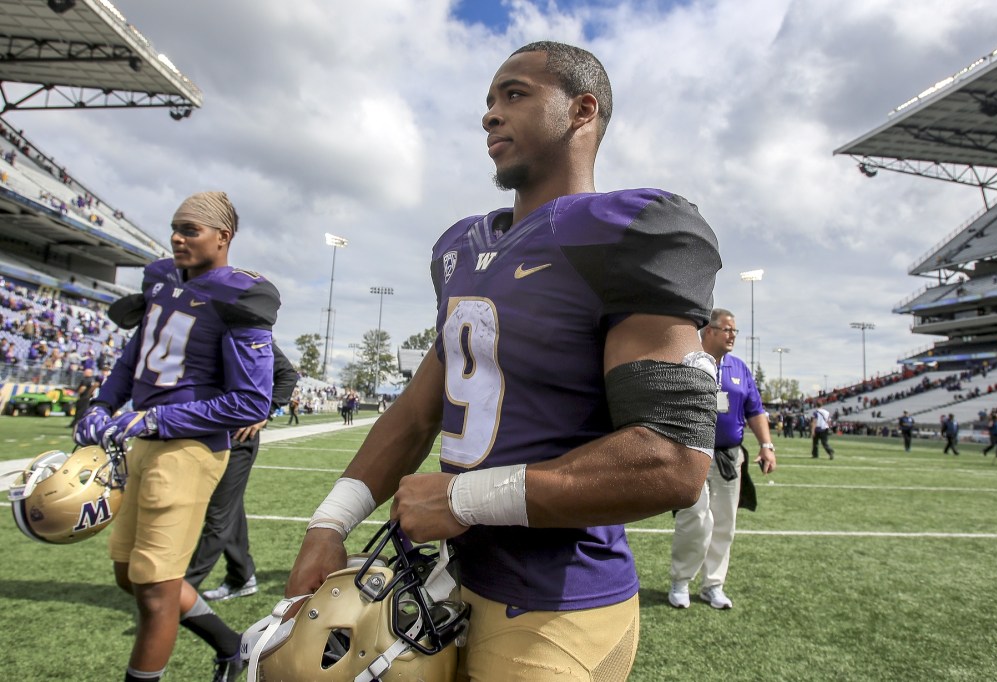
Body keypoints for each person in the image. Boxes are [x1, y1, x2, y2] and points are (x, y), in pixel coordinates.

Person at [283, 41, 721, 680]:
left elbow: (673, 458)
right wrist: (330, 523)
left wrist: (465, 497)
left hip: (557, 602)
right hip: (448, 582)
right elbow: (414, 414)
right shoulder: (461, 247)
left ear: (582, 110)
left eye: (514, 94)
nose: (490, 114)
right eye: (488, 101)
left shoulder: (625, 233)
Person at [73, 191, 279, 682]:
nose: (177, 237)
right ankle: (231, 646)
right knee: (129, 574)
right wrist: (103, 403)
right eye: (175, 227)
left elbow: (251, 402)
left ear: (223, 238)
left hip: (188, 448)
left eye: (190, 229)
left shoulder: (240, 294)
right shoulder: (161, 276)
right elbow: (135, 352)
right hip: (142, 439)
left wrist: (159, 420)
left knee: (156, 589)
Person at [667, 308, 776, 610]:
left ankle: (713, 584)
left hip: (729, 456)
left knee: (725, 523)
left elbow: (755, 410)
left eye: (734, 331)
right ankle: (681, 580)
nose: (732, 336)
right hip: (692, 454)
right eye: (727, 329)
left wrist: (767, 445)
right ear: (709, 330)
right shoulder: (687, 362)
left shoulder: (739, 368)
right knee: (695, 519)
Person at [186, 342, 298, 601]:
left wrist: (266, 410)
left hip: (238, 436)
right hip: (208, 431)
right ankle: (241, 575)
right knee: (228, 508)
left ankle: (180, 590)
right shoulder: (206, 326)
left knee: (217, 514)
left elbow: (287, 375)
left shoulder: (251, 329)